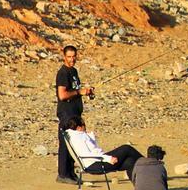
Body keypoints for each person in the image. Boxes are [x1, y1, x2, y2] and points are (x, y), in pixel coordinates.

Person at [55, 44, 94, 185]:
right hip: (66, 113)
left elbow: (76, 90)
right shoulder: (63, 73)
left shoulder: (74, 71)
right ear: (64, 57)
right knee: (66, 144)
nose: (72, 59)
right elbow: (62, 95)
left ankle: (70, 173)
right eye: (69, 57)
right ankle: (63, 174)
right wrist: (79, 92)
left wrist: (86, 92)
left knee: (74, 143)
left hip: (75, 112)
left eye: (74, 56)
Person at [65, 117, 143, 180]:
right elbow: (87, 154)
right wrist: (108, 158)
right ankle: (151, 164)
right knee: (126, 148)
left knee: (131, 162)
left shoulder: (77, 135)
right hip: (96, 164)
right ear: (79, 128)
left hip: (97, 161)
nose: (85, 126)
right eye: (84, 125)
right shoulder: (78, 138)